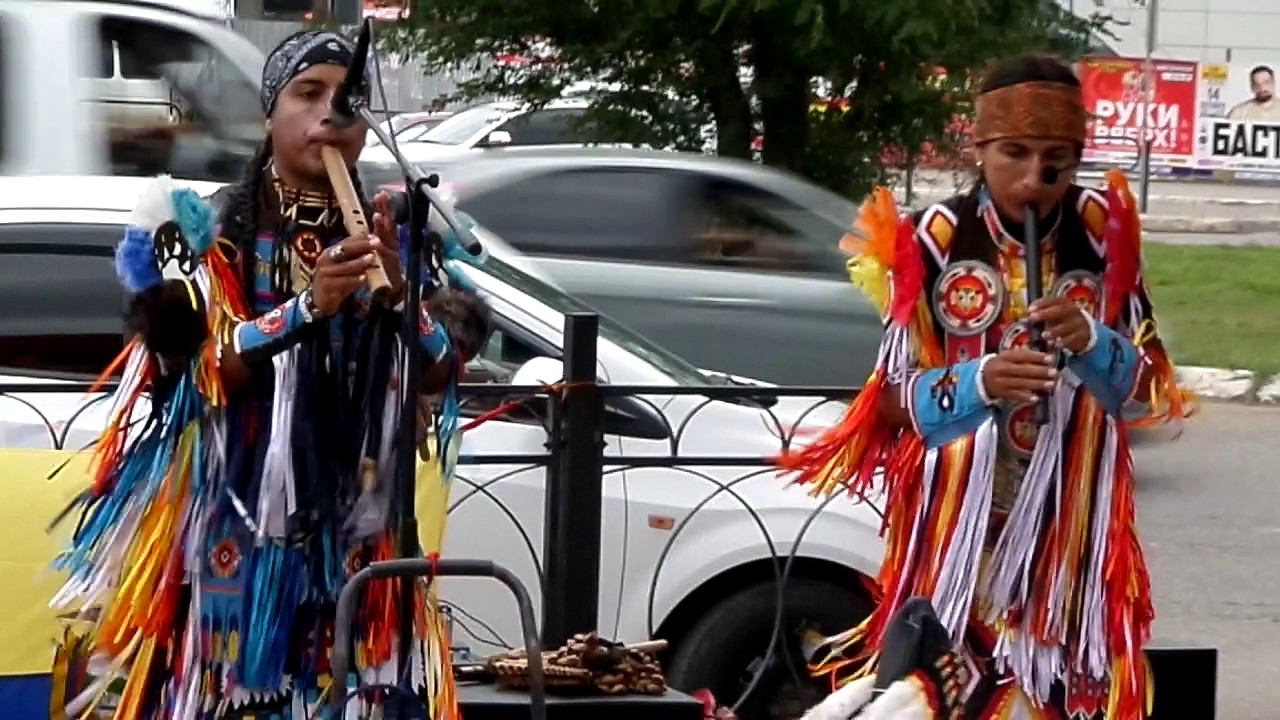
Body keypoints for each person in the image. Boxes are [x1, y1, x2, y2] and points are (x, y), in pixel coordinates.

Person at [48, 30, 492, 719]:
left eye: (348, 102)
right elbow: (195, 375)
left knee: (359, 695)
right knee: (240, 697)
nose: (331, 115)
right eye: (308, 94)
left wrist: (404, 300)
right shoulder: (216, 228)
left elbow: (439, 379)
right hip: (241, 523)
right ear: (269, 115)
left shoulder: (398, 232)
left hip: (361, 527)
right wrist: (306, 309)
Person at [784, 54, 1192, 720]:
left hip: (1071, 533)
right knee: (950, 694)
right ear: (980, 149)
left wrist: (1093, 340)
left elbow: (1140, 390)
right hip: (960, 532)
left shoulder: (1103, 233)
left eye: (1056, 160)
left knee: (1060, 697)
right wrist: (979, 380)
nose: (1035, 178)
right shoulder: (932, 240)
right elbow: (886, 403)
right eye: (1014, 155)